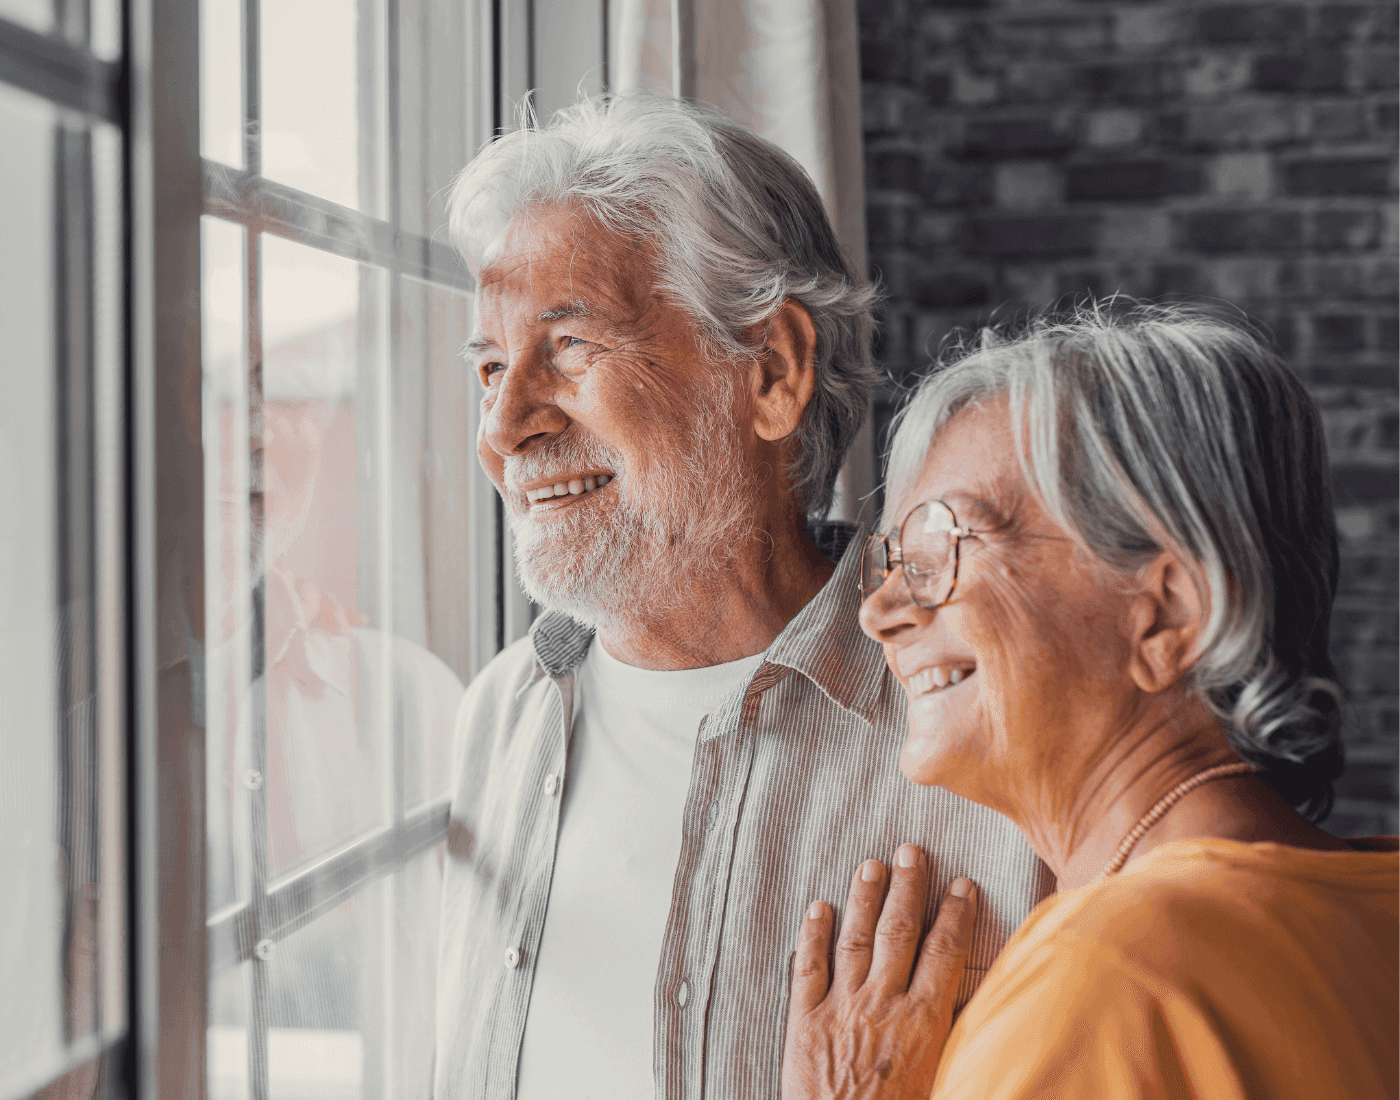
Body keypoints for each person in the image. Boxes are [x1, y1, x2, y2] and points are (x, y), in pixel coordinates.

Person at [432, 92, 1054, 1100]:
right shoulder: (498, 718)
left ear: (769, 370)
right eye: (490, 366)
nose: (503, 426)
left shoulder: (988, 733)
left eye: (568, 347)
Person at [780, 303, 1399, 1100]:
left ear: (1168, 614)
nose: (880, 611)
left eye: (941, 549)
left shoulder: (1103, 980)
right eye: (892, 560)